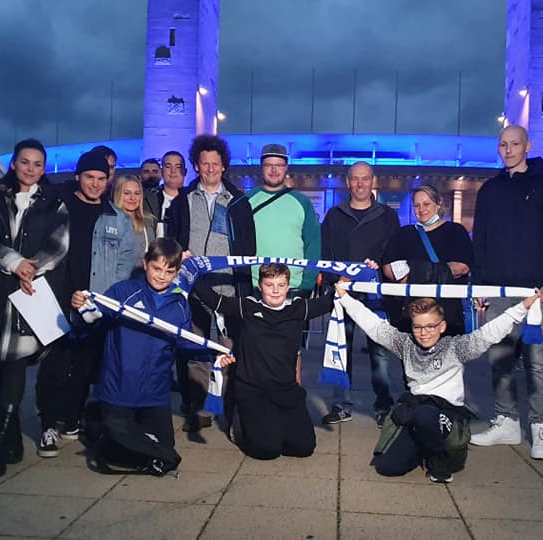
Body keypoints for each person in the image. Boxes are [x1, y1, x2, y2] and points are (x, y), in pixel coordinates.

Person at [335, 281, 539, 483]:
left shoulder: (456, 347)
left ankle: (440, 459)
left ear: (442, 326)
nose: (424, 333)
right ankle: (423, 447)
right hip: (417, 411)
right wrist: (345, 297)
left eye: (431, 326)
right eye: (418, 327)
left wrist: (523, 307)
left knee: (426, 416)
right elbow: (374, 326)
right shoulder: (405, 344)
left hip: (446, 414)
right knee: (387, 467)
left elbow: (489, 333)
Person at [0, 139, 70, 479]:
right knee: (0, 361)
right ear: (14, 163)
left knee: (13, 360)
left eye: (37, 164)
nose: (30, 169)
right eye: (25, 162)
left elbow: (59, 244)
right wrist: (15, 263)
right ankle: (11, 438)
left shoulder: (55, 201)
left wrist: (31, 267)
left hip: (31, 289)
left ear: (44, 167)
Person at [469, 125, 543, 460]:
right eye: (503, 144)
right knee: (499, 358)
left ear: (527, 145)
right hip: (498, 289)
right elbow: (480, 241)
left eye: (515, 144)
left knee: (537, 362)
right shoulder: (489, 190)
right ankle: (506, 421)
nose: (509, 149)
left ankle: (542, 428)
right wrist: (480, 285)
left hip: (534, 291)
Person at [71, 238, 207, 475]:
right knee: (117, 449)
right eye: (156, 268)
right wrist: (80, 307)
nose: (161, 276)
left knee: (161, 448)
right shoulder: (123, 291)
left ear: (176, 273)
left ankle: (121, 433)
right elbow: (91, 319)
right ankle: (98, 419)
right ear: (145, 264)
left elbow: (185, 343)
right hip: (119, 387)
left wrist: (215, 355)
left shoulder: (180, 304)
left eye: (169, 271)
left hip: (154, 391)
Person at [35, 150, 138, 458]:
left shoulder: (116, 219)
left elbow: (124, 266)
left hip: (95, 307)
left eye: (101, 179)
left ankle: (71, 419)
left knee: (85, 366)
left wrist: (106, 302)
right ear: (78, 177)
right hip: (56, 302)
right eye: (89, 177)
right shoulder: (57, 210)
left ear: (108, 181)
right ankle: (49, 424)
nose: (95, 184)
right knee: (55, 365)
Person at [194, 263, 333, 459]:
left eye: (281, 284)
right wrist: (191, 267)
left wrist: (354, 276)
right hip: (253, 389)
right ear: (260, 286)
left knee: (304, 448)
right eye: (269, 285)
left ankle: (273, 423)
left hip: (285, 389)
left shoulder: (299, 308)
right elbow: (211, 299)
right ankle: (242, 423)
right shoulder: (248, 306)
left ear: (288, 286)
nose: (275, 290)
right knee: (267, 450)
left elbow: (333, 300)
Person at [168, 134, 256, 433]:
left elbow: (248, 247)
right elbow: (172, 241)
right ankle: (198, 407)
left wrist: (246, 288)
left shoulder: (239, 202)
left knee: (228, 350)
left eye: (215, 164)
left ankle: (229, 408)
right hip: (193, 288)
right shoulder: (182, 200)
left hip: (228, 289)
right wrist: (181, 254)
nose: (210, 169)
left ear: (224, 167)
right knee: (196, 349)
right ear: (196, 165)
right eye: (204, 164)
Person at [319, 161, 401, 427]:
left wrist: (381, 269)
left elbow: (395, 255)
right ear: (347, 182)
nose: (360, 184)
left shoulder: (387, 216)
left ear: (372, 180)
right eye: (355, 179)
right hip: (344, 294)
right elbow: (325, 256)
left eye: (365, 178)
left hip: (375, 296)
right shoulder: (334, 215)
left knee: (379, 354)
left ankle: (384, 405)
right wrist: (335, 278)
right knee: (341, 350)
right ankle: (341, 404)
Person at [382, 185, 473, 335]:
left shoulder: (456, 231)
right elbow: (389, 268)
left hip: (447, 314)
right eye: (417, 205)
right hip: (412, 315)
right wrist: (436, 273)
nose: (421, 209)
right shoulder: (404, 234)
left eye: (426, 204)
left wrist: (416, 273)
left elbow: (462, 267)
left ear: (438, 204)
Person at [247, 143, 321, 296]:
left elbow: (313, 244)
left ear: (286, 167)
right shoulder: (246, 201)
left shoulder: (302, 202)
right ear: (261, 167)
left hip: (294, 287)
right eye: (269, 165)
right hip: (255, 286)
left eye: (279, 165)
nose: (274, 170)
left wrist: (307, 283)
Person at [114, 174, 157, 269]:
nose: (132, 198)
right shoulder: (110, 222)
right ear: (118, 194)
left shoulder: (148, 221)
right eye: (127, 193)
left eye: (137, 193)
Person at [144, 150, 187, 238]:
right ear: (162, 171)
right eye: (168, 166)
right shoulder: (146, 199)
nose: (173, 171)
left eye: (178, 167)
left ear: (185, 171)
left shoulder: (192, 199)